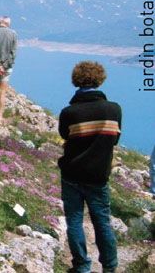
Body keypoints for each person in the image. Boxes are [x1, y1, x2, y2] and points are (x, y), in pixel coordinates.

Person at [58, 61, 122, 273]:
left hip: (72, 175)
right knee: (102, 222)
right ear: (100, 79)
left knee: (75, 221)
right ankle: (110, 267)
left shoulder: (69, 112)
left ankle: (82, 265)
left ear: (76, 80)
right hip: (98, 176)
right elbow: (114, 141)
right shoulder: (113, 110)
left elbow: (65, 136)